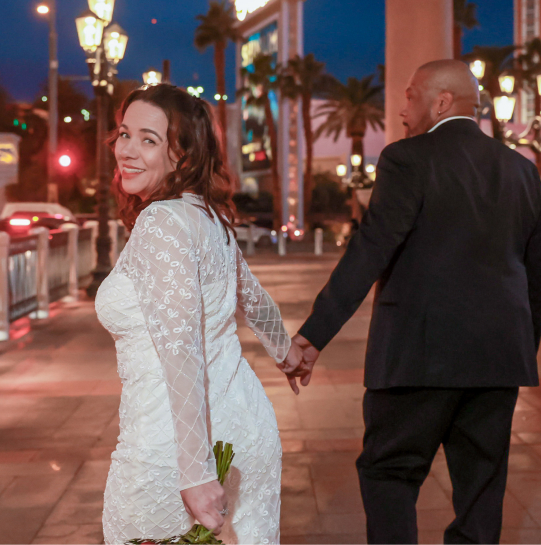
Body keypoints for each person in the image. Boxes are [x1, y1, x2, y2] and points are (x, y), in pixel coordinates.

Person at [280, 59, 541, 544]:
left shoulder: (407, 160)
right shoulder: (522, 172)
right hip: (500, 360)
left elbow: (370, 249)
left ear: (441, 101)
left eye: (409, 95)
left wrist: (314, 334)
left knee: (390, 476)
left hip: (415, 359)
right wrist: (523, 346)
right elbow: (536, 276)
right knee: (482, 492)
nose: (401, 109)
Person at [95, 84, 300, 544]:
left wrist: (194, 474)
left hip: (175, 446)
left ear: (181, 155)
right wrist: (287, 354)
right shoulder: (206, 215)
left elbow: (180, 350)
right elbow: (255, 298)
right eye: (125, 134)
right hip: (243, 425)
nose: (126, 150)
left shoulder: (161, 223)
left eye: (148, 139)